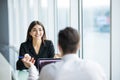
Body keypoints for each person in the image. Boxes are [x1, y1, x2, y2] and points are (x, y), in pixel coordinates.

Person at [22, 27, 106, 80]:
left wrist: (31, 67)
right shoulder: (95, 68)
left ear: (59, 47)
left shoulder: (49, 71)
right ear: (79, 45)